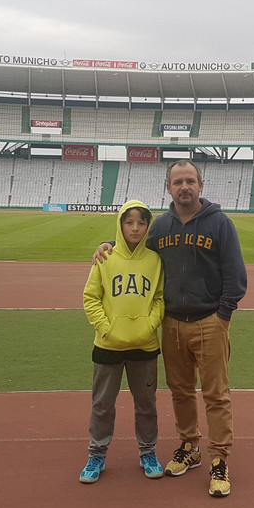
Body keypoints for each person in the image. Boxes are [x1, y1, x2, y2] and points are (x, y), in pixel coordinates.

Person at [95, 160, 247, 497]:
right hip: (172, 323)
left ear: (201, 185)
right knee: (180, 391)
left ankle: (219, 459)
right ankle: (189, 447)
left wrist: (223, 315)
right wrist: (106, 244)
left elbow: (236, 277)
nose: (184, 187)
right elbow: (130, 244)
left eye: (190, 181)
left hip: (210, 321)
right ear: (168, 188)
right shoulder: (160, 228)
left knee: (216, 395)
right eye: (177, 182)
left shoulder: (220, 224)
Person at [80, 200, 166, 484]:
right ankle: (97, 455)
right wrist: (105, 328)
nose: (135, 228)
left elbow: (159, 298)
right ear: (120, 224)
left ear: (147, 226)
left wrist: (150, 324)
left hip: (144, 345)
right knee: (102, 404)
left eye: (141, 223)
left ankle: (148, 452)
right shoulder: (105, 258)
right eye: (129, 222)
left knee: (146, 404)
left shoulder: (155, 260)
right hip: (108, 345)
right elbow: (90, 297)